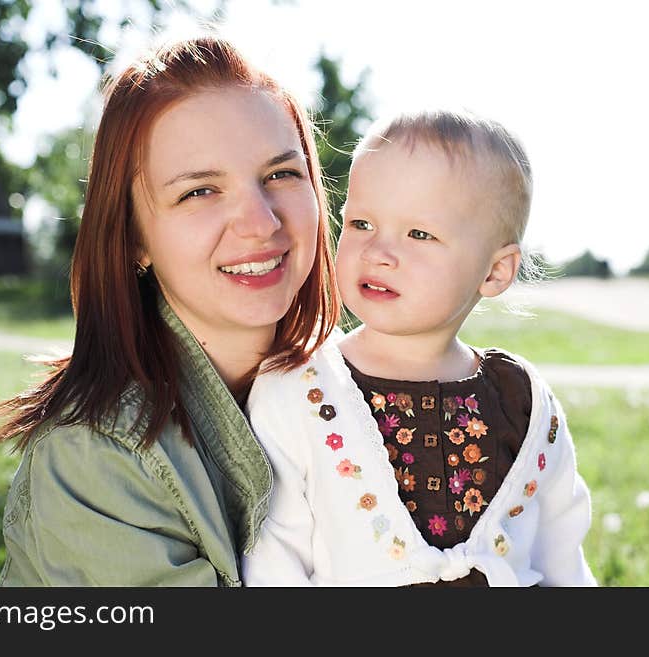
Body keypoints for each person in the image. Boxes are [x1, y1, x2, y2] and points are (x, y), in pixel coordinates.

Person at [0, 35, 339, 586]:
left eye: (281, 175)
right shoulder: (94, 462)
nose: (261, 221)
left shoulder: (353, 391)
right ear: (134, 238)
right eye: (199, 191)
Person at [242, 108, 597, 587]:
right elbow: (274, 560)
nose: (378, 252)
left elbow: (561, 551)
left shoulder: (522, 401)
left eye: (419, 234)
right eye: (362, 223)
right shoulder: (298, 390)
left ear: (494, 272)